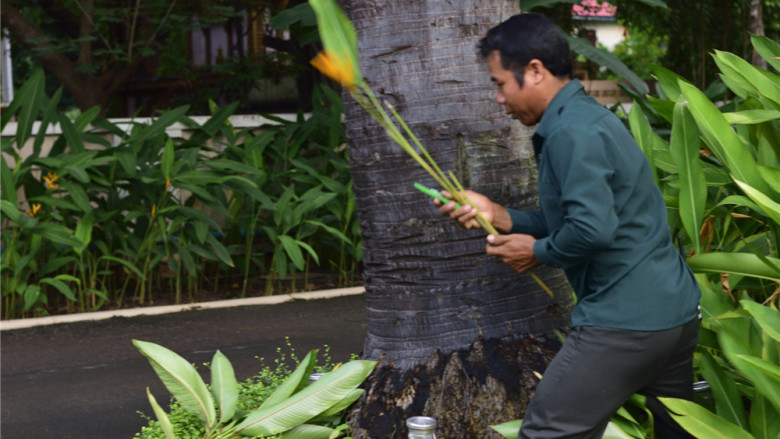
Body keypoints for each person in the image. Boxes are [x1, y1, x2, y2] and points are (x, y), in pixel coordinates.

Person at [435, 13, 701, 439]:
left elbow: (592, 231)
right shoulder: (584, 119)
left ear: (535, 70)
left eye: (500, 84)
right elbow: (577, 219)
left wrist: (535, 253)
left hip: (624, 319)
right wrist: (499, 214)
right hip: (674, 313)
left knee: (547, 432)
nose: (500, 99)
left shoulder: (569, 133)